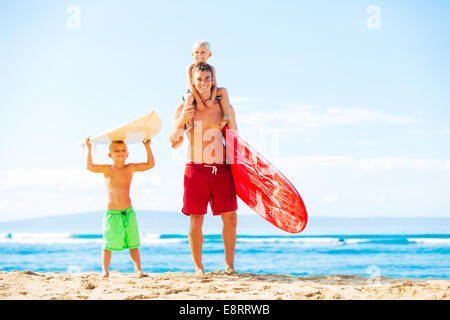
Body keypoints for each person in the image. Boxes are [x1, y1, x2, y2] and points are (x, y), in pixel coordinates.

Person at [169, 62, 238, 276]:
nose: (204, 83)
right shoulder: (184, 107)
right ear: (193, 81)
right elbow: (173, 141)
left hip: (221, 168)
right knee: (196, 218)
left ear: (212, 79)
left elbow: (235, 137)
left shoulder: (224, 106)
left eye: (207, 78)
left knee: (231, 217)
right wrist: (182, 120)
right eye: (199, 79)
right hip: (196, 169)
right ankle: (199, 268)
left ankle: (229, 266)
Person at [85, 138, 155, 278]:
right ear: (110, 155)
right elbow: (90, 167)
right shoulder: (106, 169)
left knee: (133, 242)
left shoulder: (130, 167)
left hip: (128, 212)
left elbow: (150, 164)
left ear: (127, 154)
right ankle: (105, 271)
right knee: (107, 243)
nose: (120, 153)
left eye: (123, 150)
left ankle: (138, 270)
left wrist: (147, 147)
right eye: (117, 151)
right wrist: (89, 149)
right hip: (112, 214)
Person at [184, 40, 231, 131]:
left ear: (209, 54)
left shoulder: (211, 69)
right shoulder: (190, 68)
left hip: (207, 90)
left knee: (223, 90)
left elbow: (214, 86)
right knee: (189, 97)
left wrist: (212, 100)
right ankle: (188, 122)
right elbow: (191, 87)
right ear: (192, 54)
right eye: (196, 52)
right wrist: (198, 101)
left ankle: (226, 115)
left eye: (202, 52)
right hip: (192, 92)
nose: (199, 55)